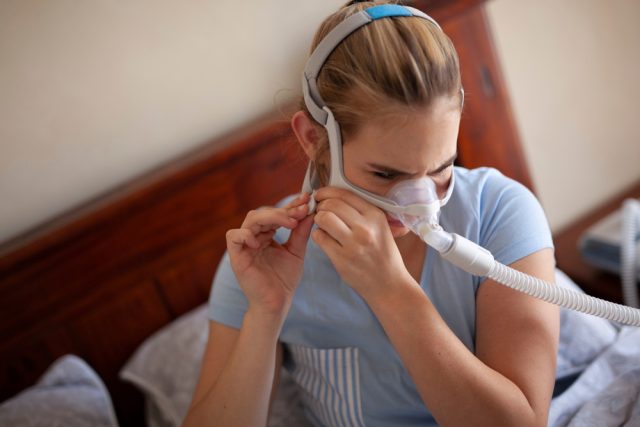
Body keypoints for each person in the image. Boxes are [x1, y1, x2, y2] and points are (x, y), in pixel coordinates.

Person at [182, 1, 559, 426]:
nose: (420, 202)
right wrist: (264, 316)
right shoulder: (264, 258)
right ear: (312, 138)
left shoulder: (499, 211)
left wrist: (390, 291)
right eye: (384, 174)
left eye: (440, 168)